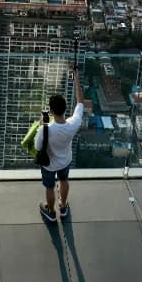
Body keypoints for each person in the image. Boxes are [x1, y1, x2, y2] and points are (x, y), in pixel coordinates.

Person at [34, 67, 85, 222]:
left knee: (49, 187)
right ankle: (63, 207)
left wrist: (41, 124)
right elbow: (80, 103)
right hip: (65, 161)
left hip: (49, 165)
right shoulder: (73, 123)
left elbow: (37, 147)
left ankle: (51, 212)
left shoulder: (46, 129)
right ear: (65, 109)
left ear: (50, 110)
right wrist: (76, 79)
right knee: (64, 181)